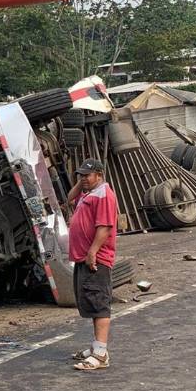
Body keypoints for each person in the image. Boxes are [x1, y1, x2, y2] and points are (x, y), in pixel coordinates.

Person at [67, 158, 119, 372]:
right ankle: (96, 346)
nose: (83, 179)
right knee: (89, 300)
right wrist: (82, 182)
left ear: (99, 174)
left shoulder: (104, 194)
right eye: (81, 175)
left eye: (87, 175)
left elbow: (105, 227)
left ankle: (100, 353)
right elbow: (70, 199)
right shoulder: (89, 192)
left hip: (95, 258)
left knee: (99, 303)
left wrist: (92, 252)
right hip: (82, 257)